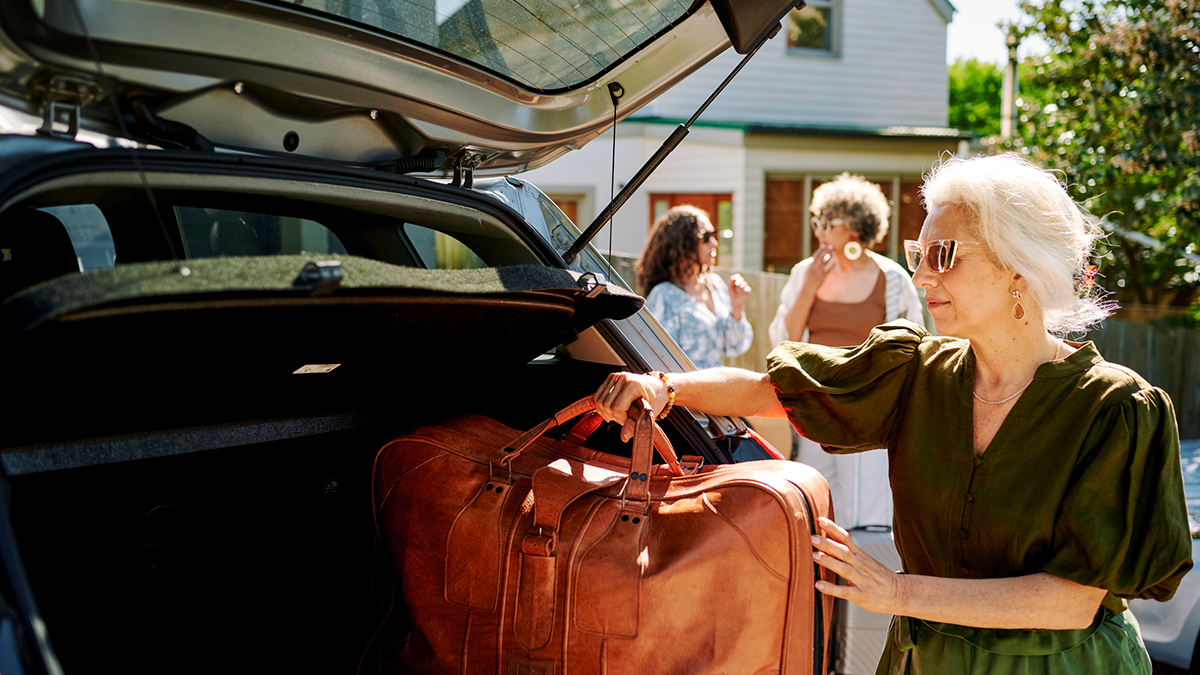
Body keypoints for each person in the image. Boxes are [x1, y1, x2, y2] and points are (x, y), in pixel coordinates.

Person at [593, 154, 1192, 674]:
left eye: (944, 254)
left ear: (1020, 271)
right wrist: (664, 386)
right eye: (918, 252)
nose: (921, 272)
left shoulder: (1116, 409)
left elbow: (1069, 601)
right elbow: (770, 389)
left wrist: (896, 591)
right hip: (925, 661)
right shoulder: (914, 370)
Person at [767, 173, 924, 528]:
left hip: (868, 401)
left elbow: (910, 344)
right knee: (816, 489)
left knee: (867, 499)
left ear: (855, 226)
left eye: (828, 223)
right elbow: (786, 341)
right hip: (817, 398)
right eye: (817, 222)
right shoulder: (804, 273)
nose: (819, 231)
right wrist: (808, 288)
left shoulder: (893, 277)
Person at [637, 205, 753, 369]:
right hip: (686, 391)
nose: (714, 243)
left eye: (714, 235)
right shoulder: (663, 296)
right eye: (705, 237)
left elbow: (735, 347)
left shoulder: (715, 284)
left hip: (718, 386)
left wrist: (737, 306)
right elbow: (660, 362)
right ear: (682, 243)